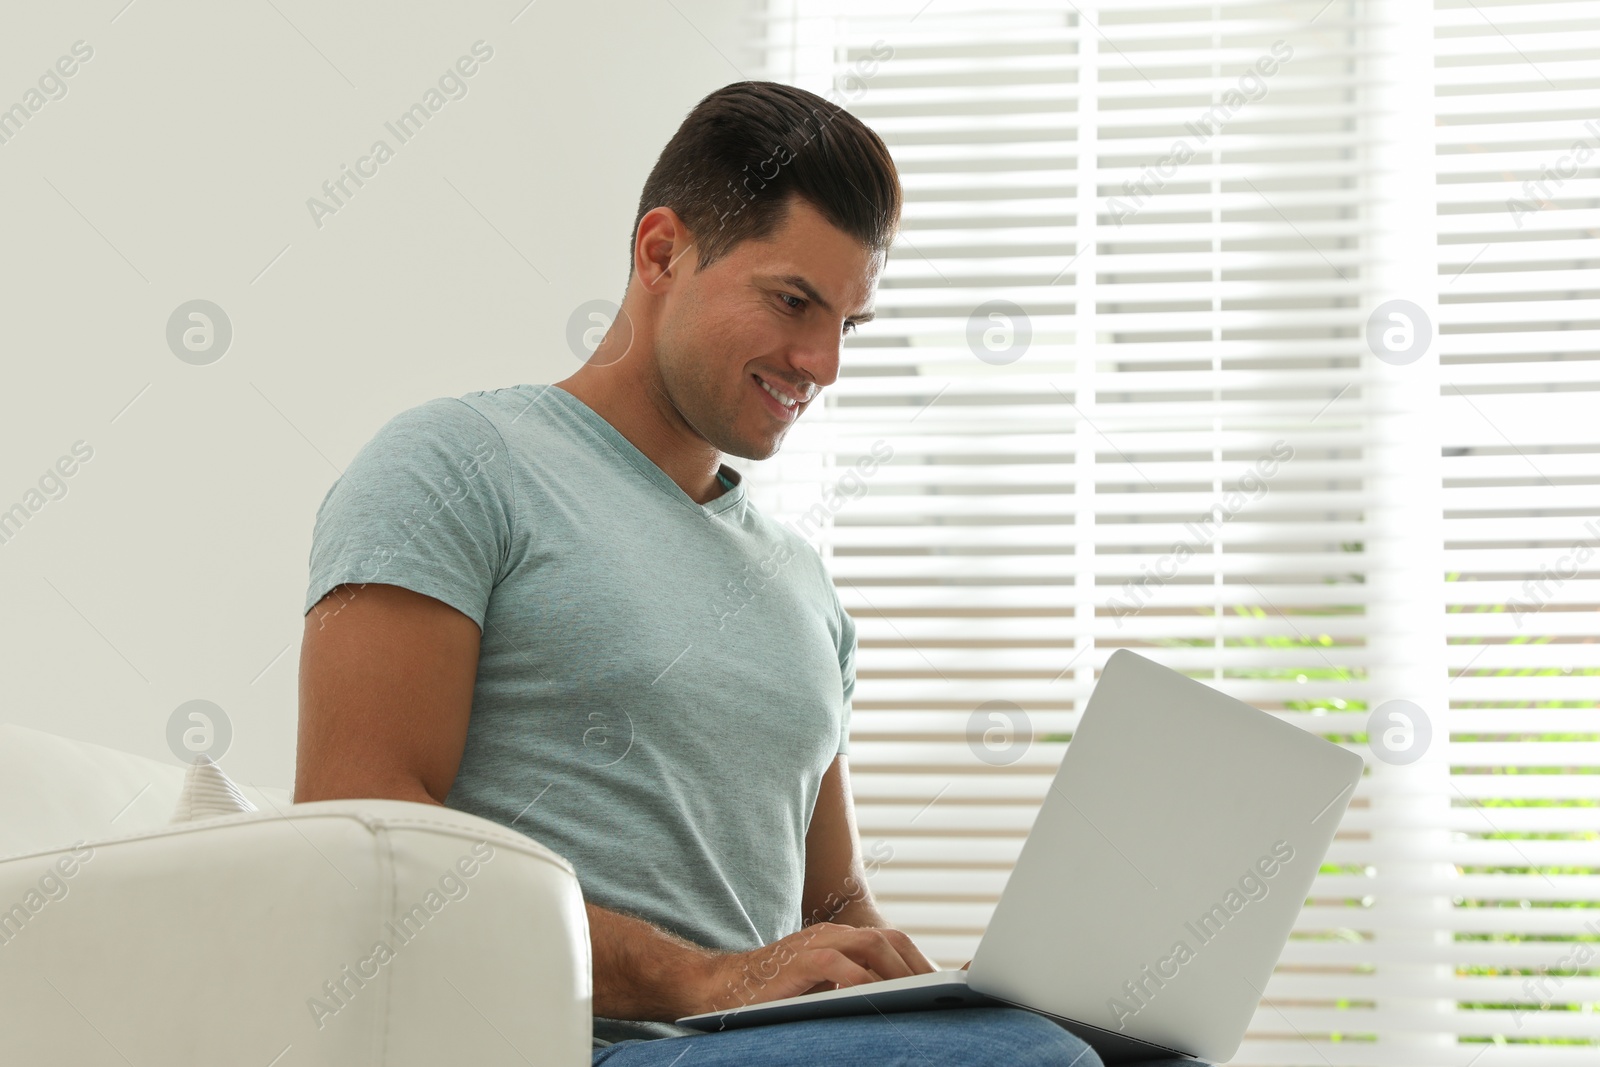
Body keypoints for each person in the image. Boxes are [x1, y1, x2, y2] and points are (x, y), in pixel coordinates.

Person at [295, 79, 1205, 1067]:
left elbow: (829, 901)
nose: (821, 363)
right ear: (660, 252)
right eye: (792, 301)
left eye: (847, 324)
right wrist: (704, 978)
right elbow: (361, 834)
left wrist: (934, 996)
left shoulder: (802, 584)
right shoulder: (455, 465)